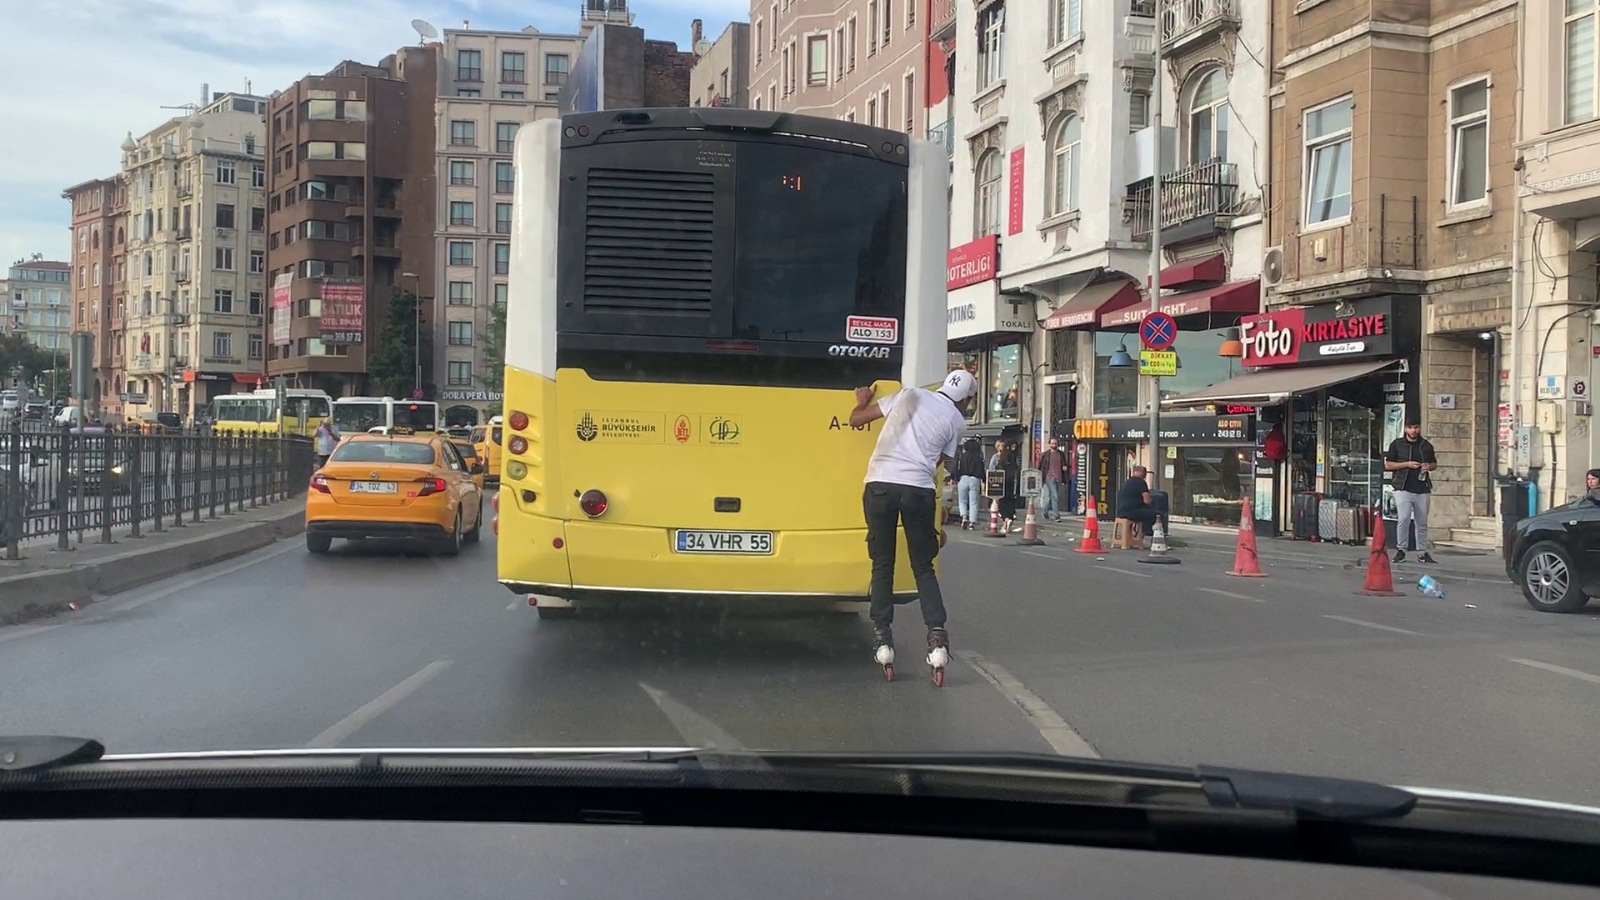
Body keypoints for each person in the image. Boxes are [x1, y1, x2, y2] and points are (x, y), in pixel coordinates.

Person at [848, 369, 978, 673]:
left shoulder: (910, 395)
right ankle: (937, 640)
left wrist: (862, 400)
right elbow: (935, 464)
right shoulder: (957, 422)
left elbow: (856, 420)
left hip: (879, 484)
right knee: (923, 567)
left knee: (882, 565)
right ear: (966, 400)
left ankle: (882, 640)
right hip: (918, 489)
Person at [1385, 418, 1437, 564]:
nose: (1413, 431)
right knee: (1404, 518)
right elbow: (1388, 464)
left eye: (1416, 427)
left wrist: (1428, 466)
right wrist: (1407, 464)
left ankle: (1422, 552)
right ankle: (1401, 550)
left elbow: (1434, 464)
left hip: (1422, 487)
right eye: (1410, 428)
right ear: (1405, 429)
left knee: (1422, 522)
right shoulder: (1397, 444)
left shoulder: (1425, 445)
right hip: (1403, 487)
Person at [1115, 465, 1164, 539]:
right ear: (1144, 474)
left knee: (1146, 513)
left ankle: (1137, 535)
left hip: (1121, 512)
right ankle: (1151, 537)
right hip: (1133, 512)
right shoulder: (1141, 482)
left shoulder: (1127, 482)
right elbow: (1147, 501)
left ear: (1133, 472)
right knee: (1158, 515)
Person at [953, 436, 985, 530]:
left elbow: (956, 468)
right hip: (975, 479)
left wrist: (954, 477)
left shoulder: (961, 456)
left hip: (963, 478)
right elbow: (982, 470)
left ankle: (964, 517)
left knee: (962, 500)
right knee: (974, 502)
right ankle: (972, 523)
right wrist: (984, 479)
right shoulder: (978, 458)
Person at [1039, 436, 1069, 521]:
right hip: (1049, 477)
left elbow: (1064, 464)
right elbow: (1040, 466)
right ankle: (1056, 515)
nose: (1054, 445)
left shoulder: (1061, 454)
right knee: (1055, 496)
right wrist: (1039, 477)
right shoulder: (1045, 455)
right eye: (1052, 443)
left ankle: (1045, 512)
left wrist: (1064, 467)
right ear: (1049, 444)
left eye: (1055, 443)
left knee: (1051, 497)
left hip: (1058, 477)